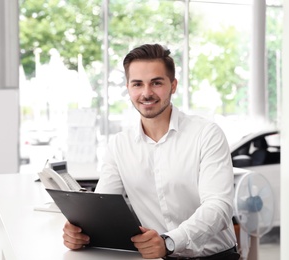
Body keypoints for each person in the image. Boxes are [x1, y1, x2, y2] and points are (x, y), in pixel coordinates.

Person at [62, 43, 240, 260]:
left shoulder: (206, 134)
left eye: (156, 83)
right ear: (128, 88)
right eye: (137, 84)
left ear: (173, 86)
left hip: (214, 257)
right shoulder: (119, 145)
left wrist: (169, 241)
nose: (146, 93)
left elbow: (219, 207)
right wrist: (80, 234)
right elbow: (104, 210)